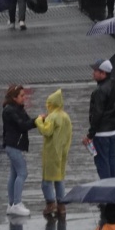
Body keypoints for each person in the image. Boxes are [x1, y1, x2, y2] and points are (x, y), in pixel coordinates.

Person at [34, 89, 72, 218]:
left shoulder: (52, 116)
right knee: (59, 178)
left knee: (47, 180)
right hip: (62, 152)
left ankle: (50, 203)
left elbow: (46, 131)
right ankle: (62, 205)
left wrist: (39, 120)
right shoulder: (65, 116)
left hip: (51, 152)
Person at [2, 85, 36, 217]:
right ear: (14, 98)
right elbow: (23, 125)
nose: (24, 98)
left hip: (14, 145)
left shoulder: (17, 108)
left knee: (14, 173)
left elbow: (27, 121)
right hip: (13, 145)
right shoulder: (10, 111)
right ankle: (17, 203)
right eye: (22, 96)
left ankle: (11, 204)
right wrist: (36, 121)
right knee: (22, 172)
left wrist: (36, 120)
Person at [86, 59, 115, 179]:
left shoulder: (99, 91)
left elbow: (97, 114)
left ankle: (106, 186)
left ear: (103, 73)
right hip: (114, 130)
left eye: (96, 71)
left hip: (102, 133)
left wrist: (90, 134)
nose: (93, 73)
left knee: (102, 161)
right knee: (112, 159)